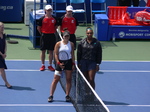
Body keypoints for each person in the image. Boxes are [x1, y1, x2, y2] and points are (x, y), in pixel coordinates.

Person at [48, 30, 75, 102]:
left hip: (68, 62)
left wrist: (73, 64)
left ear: (69, 37)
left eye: (67, 36)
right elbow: (56, 54)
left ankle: (67, 95)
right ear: (63, 36)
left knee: (68, 79)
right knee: (56, 79)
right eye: (65, 36)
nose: (66, 37)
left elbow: (72, 54)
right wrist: (58, 63)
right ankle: (51, 95)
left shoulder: (71, 44)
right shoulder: (58, 44)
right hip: (60, 62)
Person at [37, 5, 59, 71]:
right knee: (43, 51)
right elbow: (38, 28)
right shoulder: (41, 19)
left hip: (52, 36)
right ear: (45, 11)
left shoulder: (54, 19)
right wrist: (43, 34)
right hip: (44, 36)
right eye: (48, 10)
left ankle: (50, 65)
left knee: (51, 51)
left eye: (50, 10)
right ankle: (43, 65)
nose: (49, 11)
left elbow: (56, 27)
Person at [0, 22, 12, 89]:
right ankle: (6, 83)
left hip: (2, 54)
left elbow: (5, 44)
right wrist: (1, 54)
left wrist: (4, 52)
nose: (2, 28)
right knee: (2, 69)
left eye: (3, 27)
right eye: (1, 27)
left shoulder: (3, 35)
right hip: (0, 55)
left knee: (1, 69)